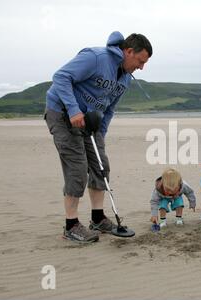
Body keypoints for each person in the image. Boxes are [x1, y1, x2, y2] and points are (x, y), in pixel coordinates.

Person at [45, 31, 152, 242]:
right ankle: (71, 226)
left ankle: (97, 218)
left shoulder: (125, 79)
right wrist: (74, 110)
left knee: (101, 165)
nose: (141, 67)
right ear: (129, 51)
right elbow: (61, 77)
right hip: (62, 113)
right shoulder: (96, 57)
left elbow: (109, 108)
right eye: (140, 61)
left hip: (91, 122)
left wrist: (100, 134)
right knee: (77, 167)